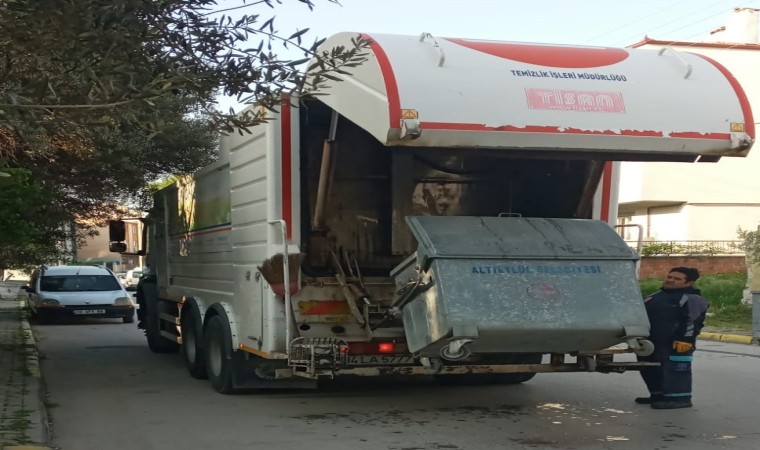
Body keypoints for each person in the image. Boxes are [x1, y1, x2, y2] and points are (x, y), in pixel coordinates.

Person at [636, 266, 709, 409]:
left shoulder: (692, 298)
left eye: (677, 279)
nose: (670, 280)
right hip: (652, 342)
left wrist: (685, 340)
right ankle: (658, 395)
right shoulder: (655, 296)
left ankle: (680, 398)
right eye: (669, 277)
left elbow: (692, 321)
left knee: (675, 370)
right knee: (649, 369)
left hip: (676, 343)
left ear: (689, 282)